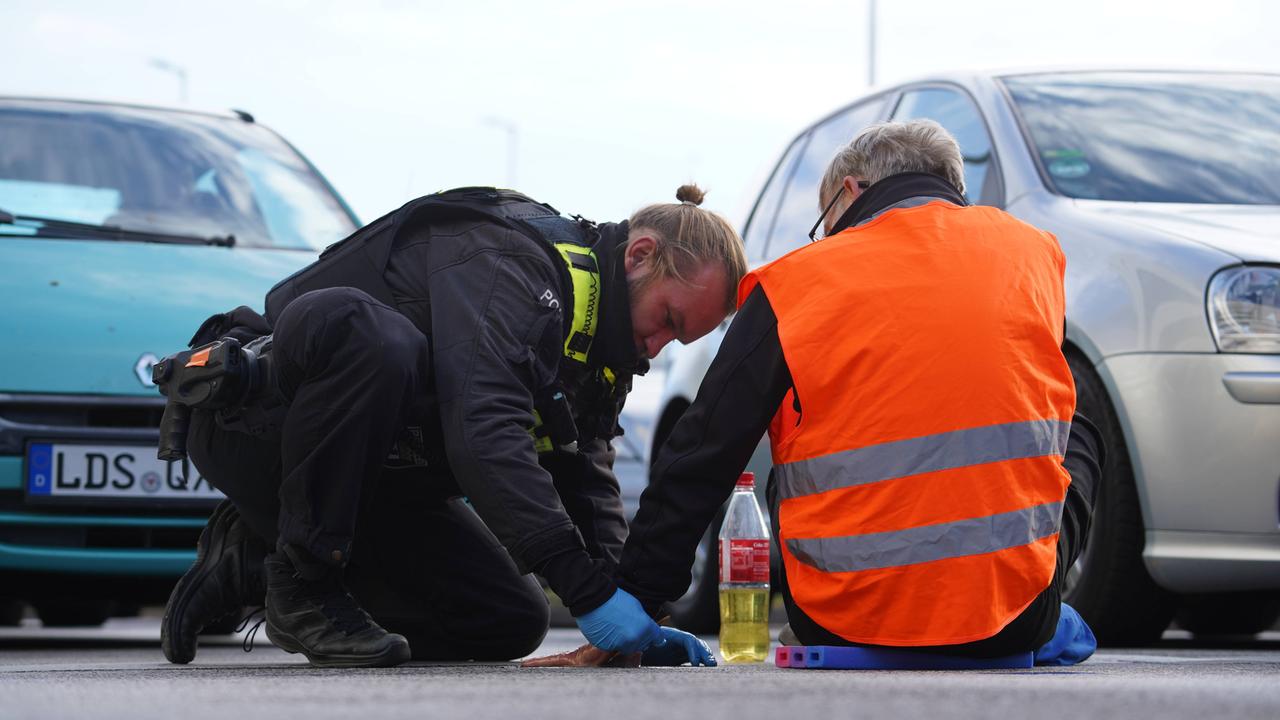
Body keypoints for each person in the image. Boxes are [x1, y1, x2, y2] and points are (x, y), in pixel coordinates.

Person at [158, 184, 745, 668]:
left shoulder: (599, 346)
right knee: (373, 339)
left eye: (679, 338)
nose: (658, 346)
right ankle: (302, 578)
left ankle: (254, 559)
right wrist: (588, 594)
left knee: (507, 622)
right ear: (639, 255)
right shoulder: (508, 260)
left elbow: (582, 472)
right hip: (255, 431)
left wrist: (636, 611)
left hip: (371, 484)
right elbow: (484, 429)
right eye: (667, 319)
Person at [606, 121, 1104, 662]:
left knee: (790, 432)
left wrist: (636, 602)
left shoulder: (796, 282)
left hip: (838, 619)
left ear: (851, 192)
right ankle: (1027, 587)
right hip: (1014, 622)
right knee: (1077, 430)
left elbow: (705, 449)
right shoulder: (1033, 253)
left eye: (827, 224)